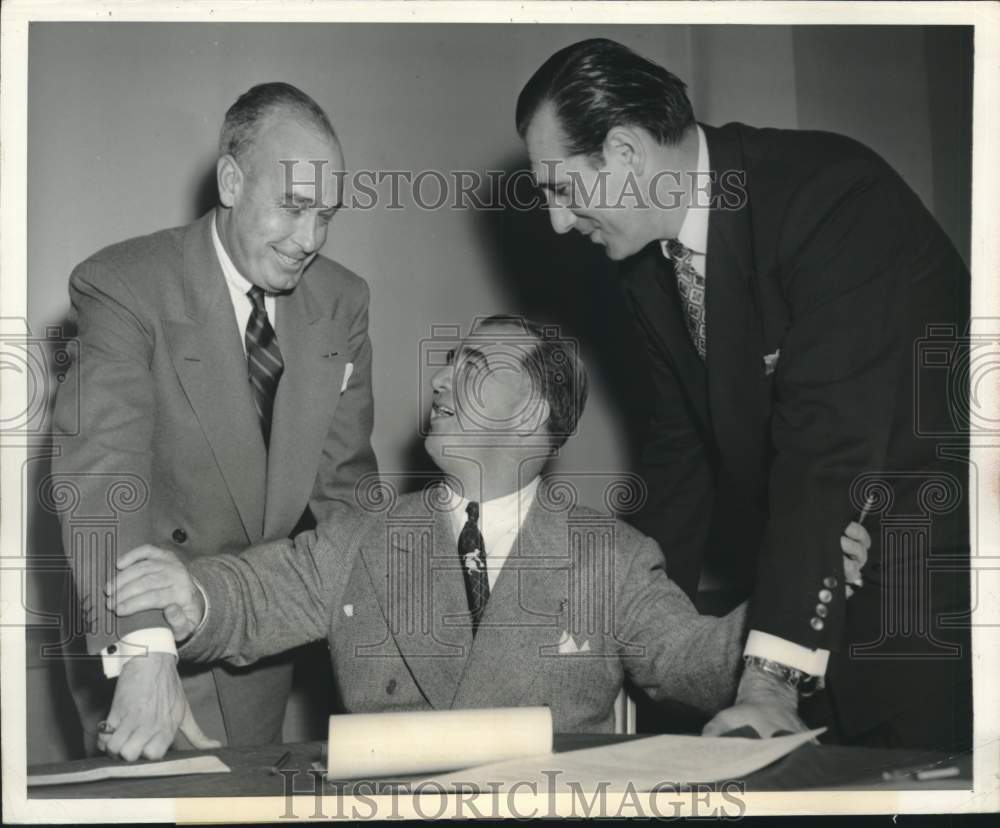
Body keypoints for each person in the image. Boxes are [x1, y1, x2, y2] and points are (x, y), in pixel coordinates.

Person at [103, 316, 869, 759]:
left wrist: (795, 587)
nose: (438, 383)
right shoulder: (363, 540)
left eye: (471, 368)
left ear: (534, 412)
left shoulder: (612, 557)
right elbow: (260, 590)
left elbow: (694, 662)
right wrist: (192, 594)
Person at [515, 38, 971, 750]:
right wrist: (615, 623)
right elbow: (680, 455)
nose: (558, 222)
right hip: (812, 571)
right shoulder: (645, 264)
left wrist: (767, 680)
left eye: (561, 188)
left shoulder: (829, 197)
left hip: (930, 593)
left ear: (627, 153)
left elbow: (826, 451)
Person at [51, 82, 378, 758]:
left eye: (326, 214)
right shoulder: (124, 282)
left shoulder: (342, 301)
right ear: (231, 181)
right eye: (292, 207)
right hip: (137, 638)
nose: (309, 240)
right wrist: (143, 647)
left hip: (255, 647)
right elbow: (100, 479)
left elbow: (347, 497)